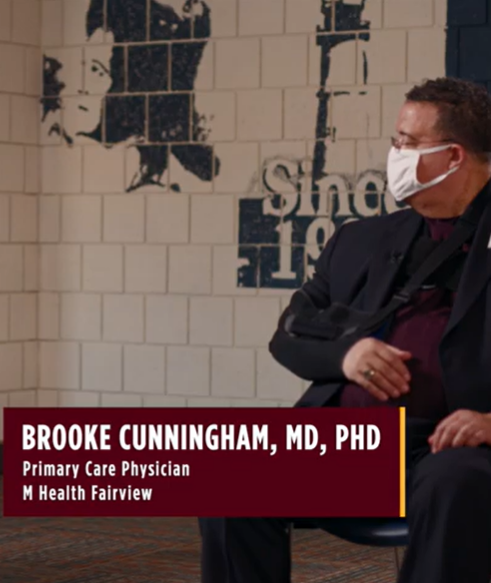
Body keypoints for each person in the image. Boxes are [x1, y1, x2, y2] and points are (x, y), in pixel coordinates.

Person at [199, 76, 491, 583]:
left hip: (452, 455)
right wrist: (346, 356)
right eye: (395, 140)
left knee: (455, 482)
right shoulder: (359, 240)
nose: (394, 153)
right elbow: (289, 334)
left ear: (454, 156)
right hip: (350, 447)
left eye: (408, 142)